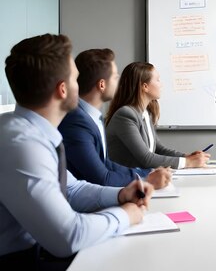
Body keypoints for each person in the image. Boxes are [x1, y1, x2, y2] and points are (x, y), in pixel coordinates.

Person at [0, 34, 151, 271]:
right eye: (75, 77)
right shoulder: (21, 144)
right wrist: (125, 216)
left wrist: (120, 195)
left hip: (30, 259)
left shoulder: (33, 132)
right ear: (62, 89)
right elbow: (68, 236)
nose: (80, 84)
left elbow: (70, 187)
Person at [59, 49, 172, 189]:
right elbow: (102, 177)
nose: (119, 83)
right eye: (115, 77)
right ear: (102, 85)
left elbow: (106, 163)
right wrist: (146, 180)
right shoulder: (76, 123)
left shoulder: (94, 117)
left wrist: (146, 173)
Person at [105, 61, 210, 169]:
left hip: (140, 178)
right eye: (158, 80)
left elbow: (158, 149)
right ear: (145, 87)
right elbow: (146, 158)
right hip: (125, 182)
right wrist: (188, 163)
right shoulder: (125, 115)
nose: (161, 84)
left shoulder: (146, 113)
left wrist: (187, 157)